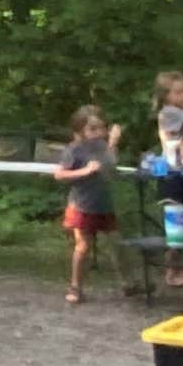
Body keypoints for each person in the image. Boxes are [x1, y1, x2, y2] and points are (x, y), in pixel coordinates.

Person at [52, 104, 120, 305]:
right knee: (83, 246)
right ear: (80, 130)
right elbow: (59, 174)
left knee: (118, 244)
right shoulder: (74, 150)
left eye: (101, 127)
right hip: (82, 205)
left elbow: (111, 165)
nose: (99, 132)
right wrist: (84, 171)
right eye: (92, 128)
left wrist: (114, 143)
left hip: (104, 204)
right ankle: (75, 286)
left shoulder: (102, 147)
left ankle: (128, 283)